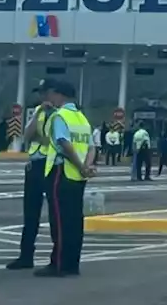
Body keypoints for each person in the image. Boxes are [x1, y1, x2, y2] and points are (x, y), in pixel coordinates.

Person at [37, 80, 96, 278]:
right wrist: (86, 167)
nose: (49, 98)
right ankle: (72, 264)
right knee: (74, 221)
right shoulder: (82, 118)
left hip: (60, 172)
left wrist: (80, 165)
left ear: (58, 94)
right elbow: (91, 146)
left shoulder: (59, 116)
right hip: (78, 177)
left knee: (60, 221)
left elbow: (63, 142)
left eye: (51, 94)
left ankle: (58, 264)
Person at [7, 80, 53, 271]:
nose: (42, 97)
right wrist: (39, 113)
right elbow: (27, 135)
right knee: (30, 213)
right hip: (35, 164)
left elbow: (55, 140)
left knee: (56, 213)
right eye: (40, 94)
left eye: (45, 93)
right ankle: (26, 255)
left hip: (52, 164)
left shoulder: (62, 113)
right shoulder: (38, 111)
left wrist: (40, 137)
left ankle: (57, 257)